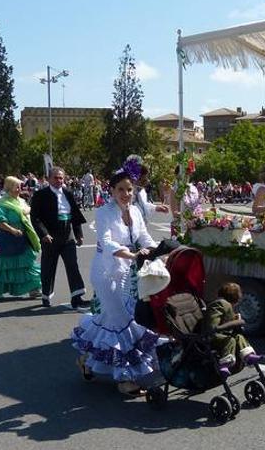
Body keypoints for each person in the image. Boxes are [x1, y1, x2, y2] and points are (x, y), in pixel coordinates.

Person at [71, 169, 162, 397]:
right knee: (123, 323)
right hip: (107, 274)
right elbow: (107, 242)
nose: (126, 193)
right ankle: (125, 379)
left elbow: (144, 238)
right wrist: (131, 255)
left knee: (114, 320)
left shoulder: (136, 212)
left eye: (129, 189)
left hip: (129, 275)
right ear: (112, 190)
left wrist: (157, 250)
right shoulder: (104, 213)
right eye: (121, 189)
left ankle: (86, 361)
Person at [30, 167, 90, 310]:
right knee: (48, 267)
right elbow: (35, 217)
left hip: (67, 235)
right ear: (49, 179)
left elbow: (74, 215)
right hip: (50, 237)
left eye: (61, 178)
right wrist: (44, 234)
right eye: (56, 178)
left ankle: (77, 298)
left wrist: (79, 234)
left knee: (72, 266)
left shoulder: (68, 193)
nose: (59, 181)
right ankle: (46, 296)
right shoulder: (41, 195)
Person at [0, 177, 42, 299]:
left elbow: (28, 212)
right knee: (6, 266)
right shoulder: (2, 203)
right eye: (17, 186)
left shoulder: (21, 201)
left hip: (23, 236)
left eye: (20, 186)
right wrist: (12, 230)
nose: (20, 188)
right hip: (8, 238)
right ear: (9, 187)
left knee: (28, 263)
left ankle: (33, 289)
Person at [206, 282, 263, 378]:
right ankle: (224, 365)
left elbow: (225, 318)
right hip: (212, 336)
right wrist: (233, 322)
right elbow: (213, 326)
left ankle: (249, 356)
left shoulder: (226, 305)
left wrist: (234, 320)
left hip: (222, 333)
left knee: (239, 336)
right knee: (230, 340)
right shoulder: (219, 304)